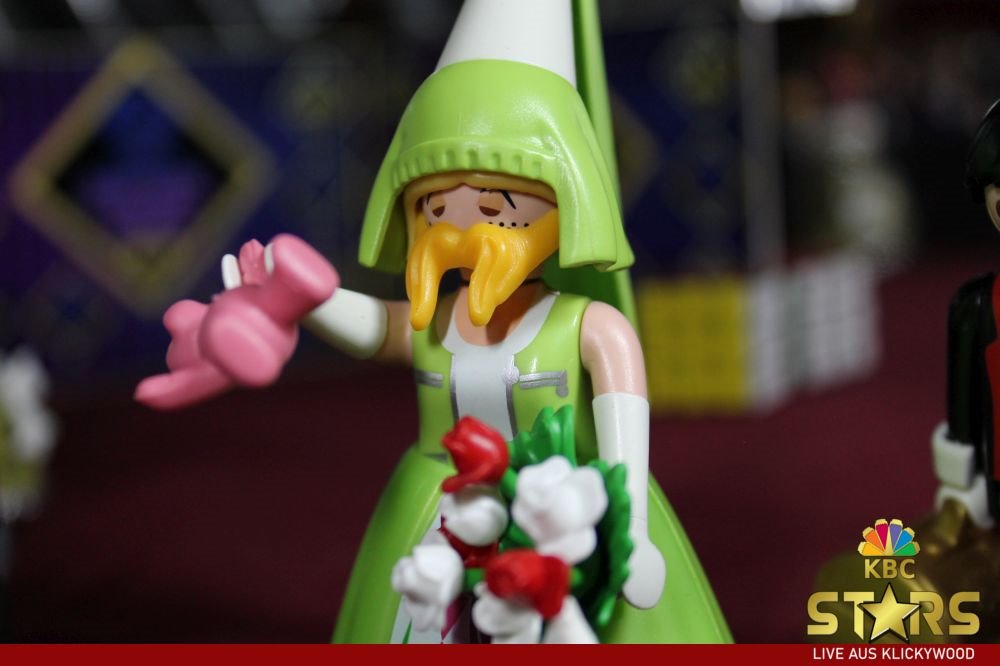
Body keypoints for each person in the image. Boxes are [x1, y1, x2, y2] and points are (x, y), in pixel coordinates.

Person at [137, 0, 730, 643]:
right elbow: (375, 327)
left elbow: (624, 449)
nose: (461, 229)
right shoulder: (434, 324)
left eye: (495, 209)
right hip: (441, 512)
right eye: (436, 209)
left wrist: (631, 530)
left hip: (563, 516)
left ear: (569, 204)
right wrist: (304, 297)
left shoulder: (594, 329)